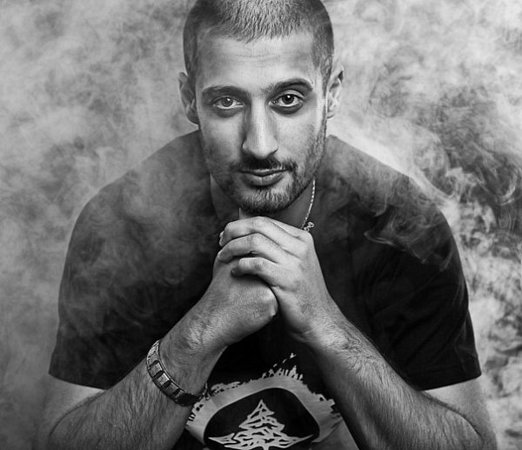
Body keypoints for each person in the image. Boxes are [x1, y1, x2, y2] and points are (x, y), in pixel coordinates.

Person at [37, 0, 497, 448]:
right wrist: (201, 333)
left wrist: (324, 324)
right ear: (189, 99)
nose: (259, 144)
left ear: (332, 92)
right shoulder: (122, 224)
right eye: (227, 102)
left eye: (288, 100)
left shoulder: (402, 227)